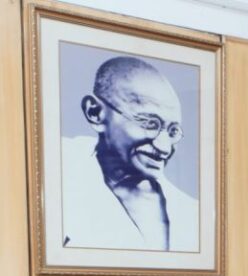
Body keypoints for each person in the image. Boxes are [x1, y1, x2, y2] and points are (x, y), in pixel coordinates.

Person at [61, 56, 198, 252]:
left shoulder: (192, 215)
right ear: (95, 113)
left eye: (172, 131)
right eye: (150, 123)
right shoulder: (55, 170)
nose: (164, 148)